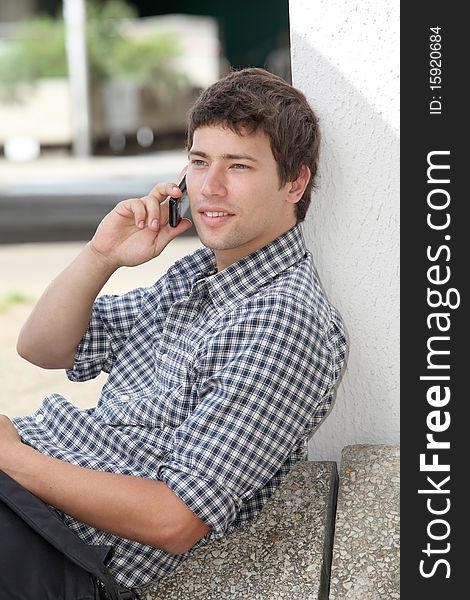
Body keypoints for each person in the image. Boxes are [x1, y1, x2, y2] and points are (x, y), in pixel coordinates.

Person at [0, 68, 347, 589]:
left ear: (294, 182)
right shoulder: (199, 275)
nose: (211, 186)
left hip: (59, 546)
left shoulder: (285, 320)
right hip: (27, 499)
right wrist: (103, 256)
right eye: (200, 162)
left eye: (239, 166)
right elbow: (42, 347)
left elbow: (175, 520)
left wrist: (12, 459)